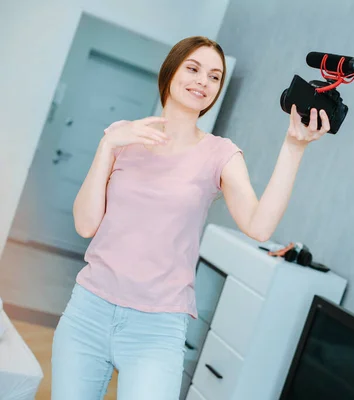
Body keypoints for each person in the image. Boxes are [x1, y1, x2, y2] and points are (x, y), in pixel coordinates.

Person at [51, 36, 330, 399]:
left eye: (215, 76)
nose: (204, 81)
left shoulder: (221, 154)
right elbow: (85, 224)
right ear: (171, 71)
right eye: (194, 69)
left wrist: (294, 147)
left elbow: (259, 226)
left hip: (157, 327)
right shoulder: (122, 136)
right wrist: (107, 147)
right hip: (89, 310)